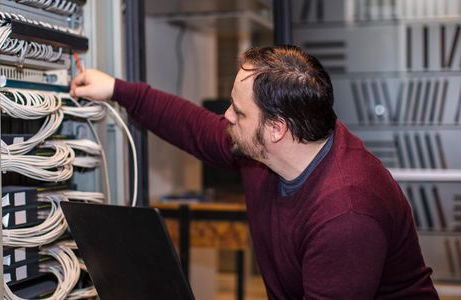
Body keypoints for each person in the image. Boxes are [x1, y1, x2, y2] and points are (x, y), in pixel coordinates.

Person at [70, 45, 438, 299]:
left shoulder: (347, 215)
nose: (227, 116)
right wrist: (118, 90)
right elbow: (194, 126)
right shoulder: (264, 151)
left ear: (277, 128)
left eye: (239, 112)